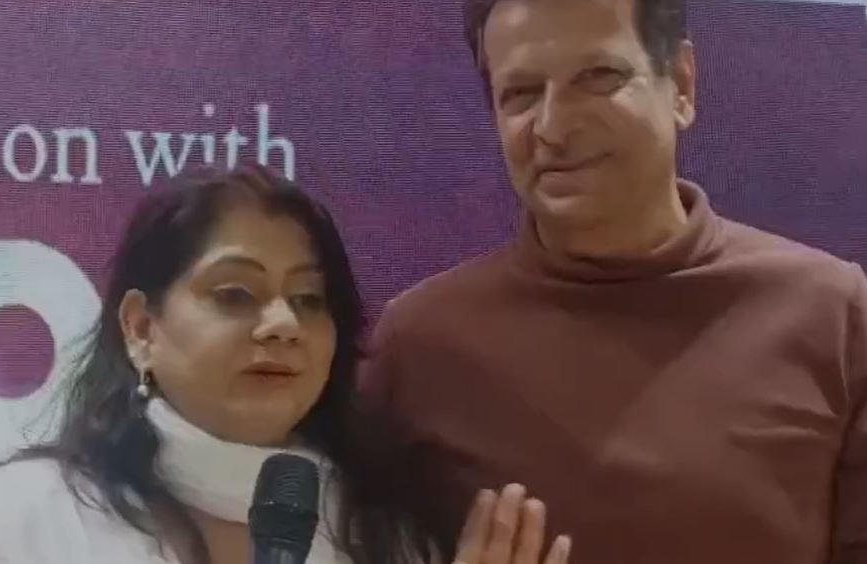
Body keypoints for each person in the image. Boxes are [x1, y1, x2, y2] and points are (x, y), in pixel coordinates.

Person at [361, 1, 867, 563]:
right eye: (521, 93)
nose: (554, 127)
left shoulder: (835, 315)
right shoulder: (417, 346)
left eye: (598, 77)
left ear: (680, 84)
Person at [0, 163, 571, 564]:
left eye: (309, 299)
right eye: (235, 294)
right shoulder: (19, 522)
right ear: (140, 327)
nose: (282, 324)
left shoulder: (388, 538)